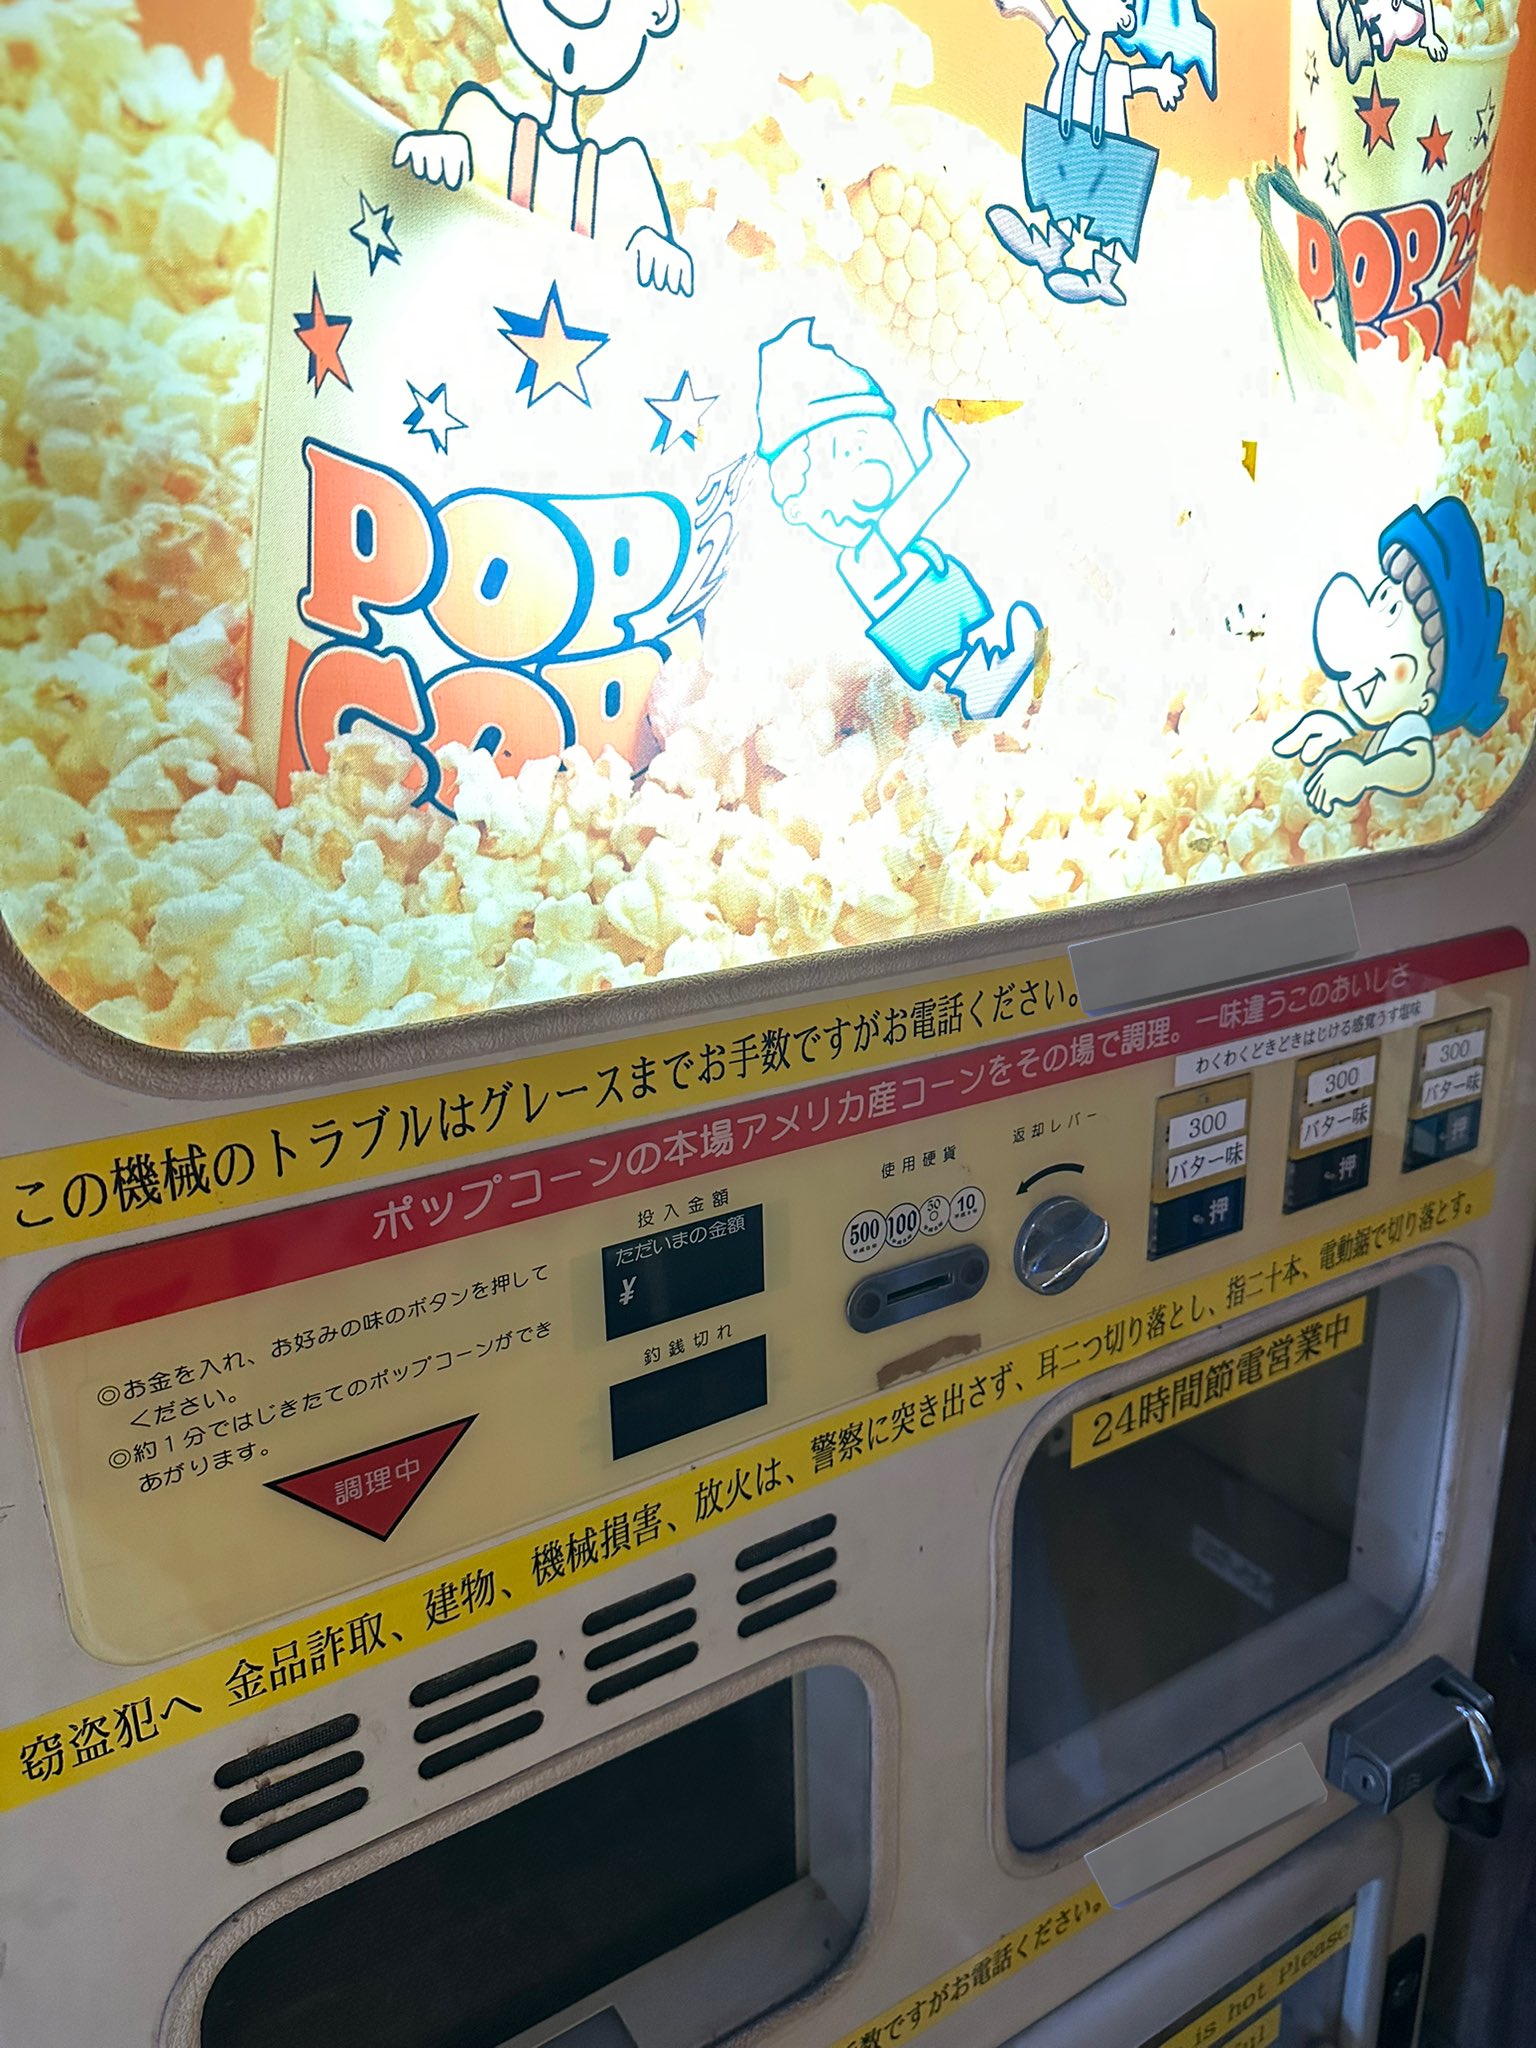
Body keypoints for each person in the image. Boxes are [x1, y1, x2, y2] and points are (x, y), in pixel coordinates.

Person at [756, 319, 1044, 722]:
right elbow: (924, 495)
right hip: (917, 618)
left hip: (929, 597)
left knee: (964, 639)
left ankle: (993, 674)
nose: (870, 466)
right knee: (951, 648)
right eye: (845, 452)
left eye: (866, 441)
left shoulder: (874, 543)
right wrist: (940, 456)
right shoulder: (863, 557)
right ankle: (981, 689)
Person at [394, 0, 692, 295]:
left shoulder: (624, 170)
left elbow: (651, 247)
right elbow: (442, 163)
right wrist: (438, 150)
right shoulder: (482, 115)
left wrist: (656, 249)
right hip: (460, 294)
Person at [1274, 498, 1506, 816]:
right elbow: (1376, 719)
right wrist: (1340, 727)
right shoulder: (1394, 717)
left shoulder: (1411, 722)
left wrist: (1361, 776)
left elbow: (1417, 765)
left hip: (1401, 832)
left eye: (1393, 611)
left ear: (1426, 700)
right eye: (1380, 599)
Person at [986, 0, 1214, 305]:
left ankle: (1101, 277)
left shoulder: (1112, 74)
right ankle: (1051, 248)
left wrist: (1160, 80)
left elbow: (1135, 79)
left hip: (1108, 160)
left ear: (1123, 17)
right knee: (1060, 194)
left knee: (1110, 216)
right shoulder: (1069, 51)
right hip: (1065, 148)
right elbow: (1048, 23)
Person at [1318, 0, 1448, 85]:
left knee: (1393, 24)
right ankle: (1344, 27)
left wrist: (1430, 35)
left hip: (1402, 12)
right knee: (1374, 12)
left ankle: (1357, 43)